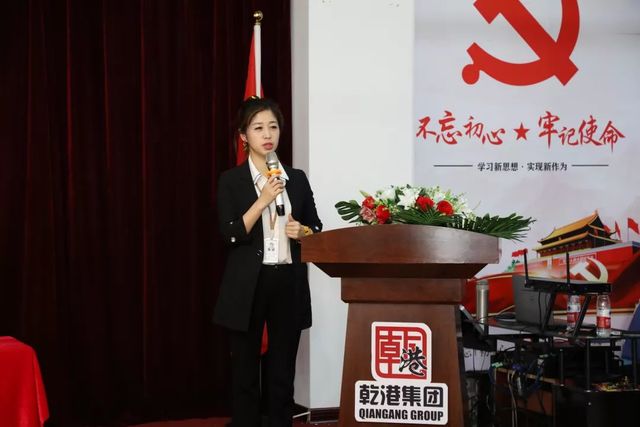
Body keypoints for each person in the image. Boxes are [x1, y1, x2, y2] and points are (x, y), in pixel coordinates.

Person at [214, 97, 322, 427]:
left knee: (282, 369)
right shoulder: (231, 180)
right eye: (258, 128)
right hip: (248, 283)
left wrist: (303, 231)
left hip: (287, 280)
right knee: (244, 369)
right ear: (243, 136)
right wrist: (262, 201)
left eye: (273, 127)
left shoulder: (296, 178)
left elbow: (316, 228)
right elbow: (230, 234)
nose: (267, 134)